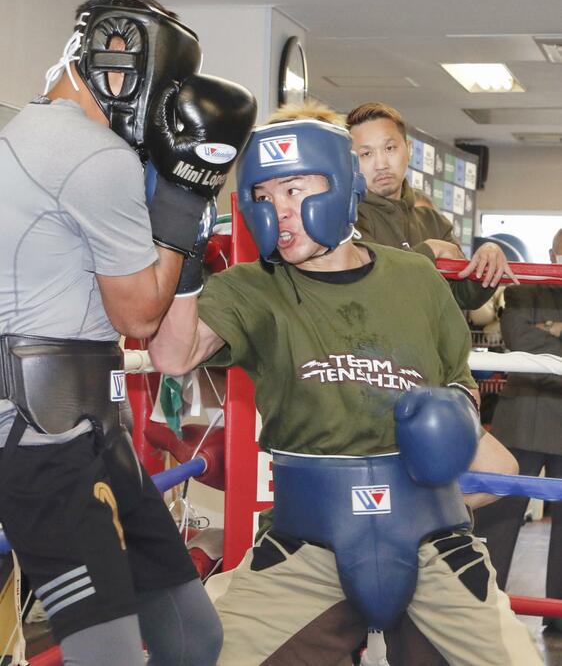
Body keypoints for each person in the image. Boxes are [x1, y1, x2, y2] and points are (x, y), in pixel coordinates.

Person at [149, 117, 541, 665]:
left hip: (433, 537)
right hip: (304, 542)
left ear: (342, 185)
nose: (278, 210)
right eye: (262, 194)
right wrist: (184, 257)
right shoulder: (252, 287)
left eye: (294, 189)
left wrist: (454, 415)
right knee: (215, 658)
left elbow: (459, 379)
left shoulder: (417, 277)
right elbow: (172, 355)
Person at [0, 0, 255, 666]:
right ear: (131, 70)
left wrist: (181, 211)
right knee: (110, 655)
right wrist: (184, 194)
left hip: (88, 428)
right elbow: (140, 314)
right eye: (170, 89)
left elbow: (166, 347)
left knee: (191, 631)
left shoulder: (50, 137)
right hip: (40, 436)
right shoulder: (93, 155)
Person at [346, 102, 518, 310]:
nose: (381, 164)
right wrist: (429, 251)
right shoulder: (348, 220)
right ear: (352, 161)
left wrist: (488, 261)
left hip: (433, 343)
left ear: (408, 150)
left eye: (389, 148)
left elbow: (464, 296)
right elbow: (373, 285)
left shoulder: (433, 221)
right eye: (366, 154)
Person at [474, 228, 562, 630]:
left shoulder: (527, 297)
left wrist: (547, 333)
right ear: (550, 253)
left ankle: (559, 619)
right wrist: (543, 335)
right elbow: (517, 338)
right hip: (521, 420)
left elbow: (531, 340)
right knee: (498, 520)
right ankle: (484, 609)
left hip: (543, 418)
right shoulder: (525, 288)